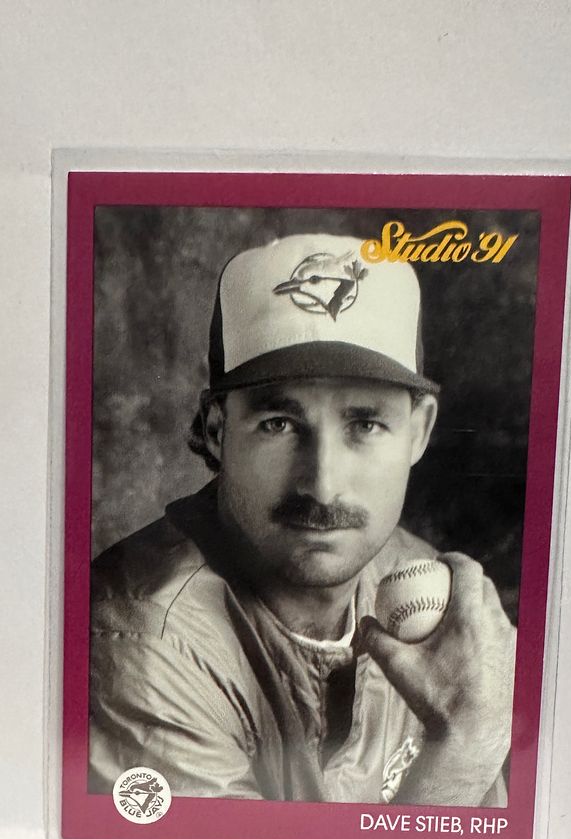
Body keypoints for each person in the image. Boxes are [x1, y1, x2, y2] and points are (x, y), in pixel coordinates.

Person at [89, 233, 514, 806]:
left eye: (365, 425)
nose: (323, 484)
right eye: (279, 424)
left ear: (419, 431)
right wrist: (463, 750)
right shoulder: (143, 644)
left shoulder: (418, 577)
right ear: (216, 429)